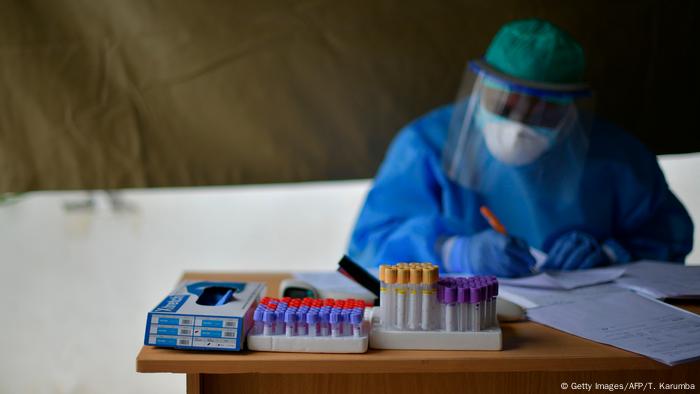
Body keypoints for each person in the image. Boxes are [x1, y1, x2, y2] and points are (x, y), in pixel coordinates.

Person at [348, 19, 694, 277]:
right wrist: (454, 253)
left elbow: (667, 237)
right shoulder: (426, 145)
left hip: (589, 331)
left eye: (543, 111)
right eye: (504, 104)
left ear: (570, 108)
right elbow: (367, 251)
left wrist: (611, 254)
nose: (518, 127)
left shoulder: (618, 157)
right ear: (481, 86)